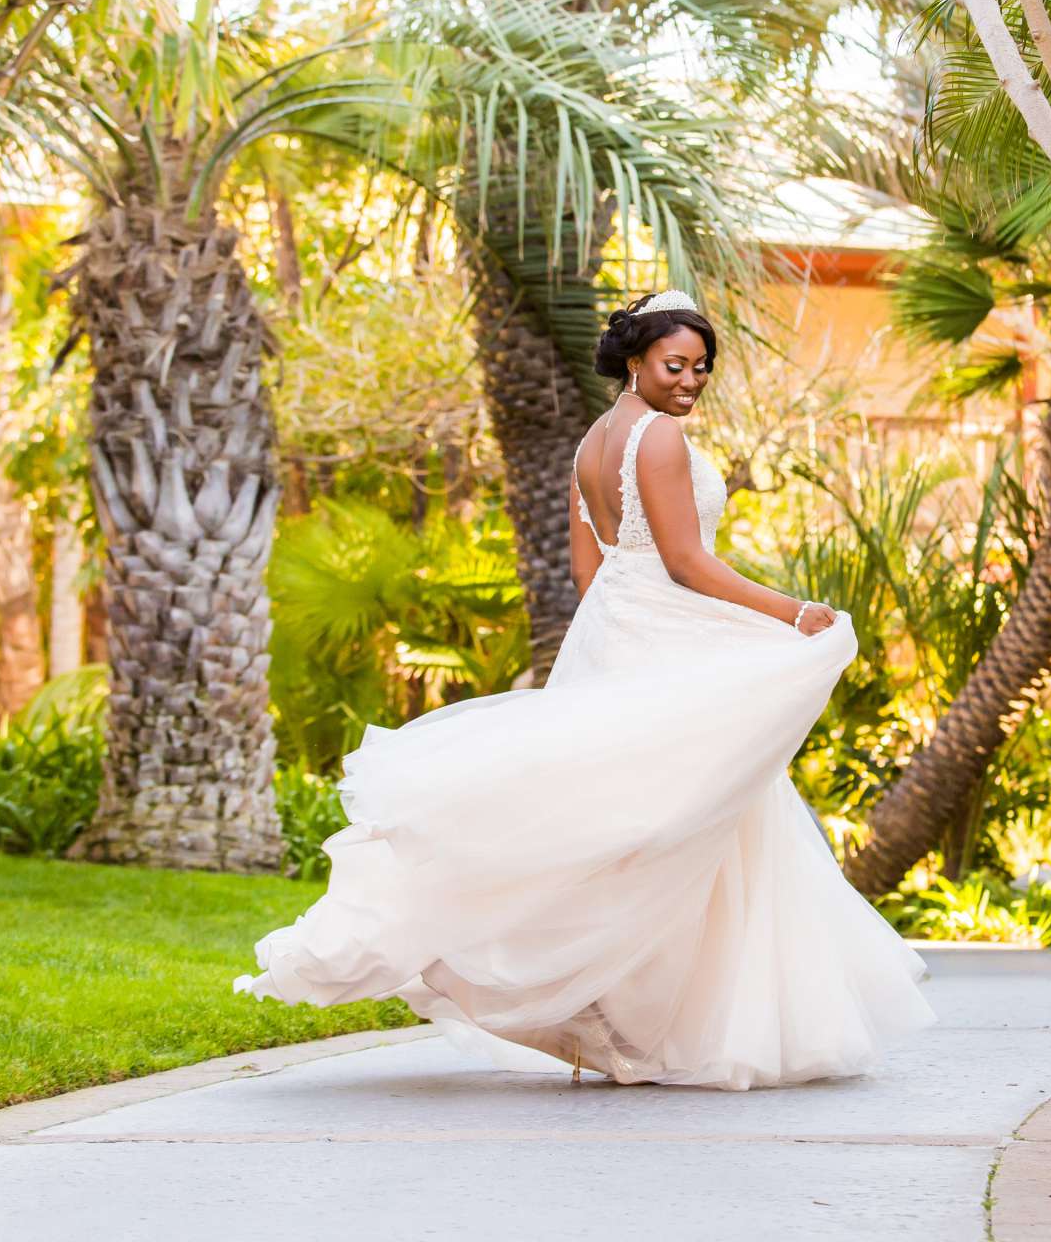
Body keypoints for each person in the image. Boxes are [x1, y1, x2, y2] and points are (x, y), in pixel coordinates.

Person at [237, 289, 934, 1089]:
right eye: (675, 365)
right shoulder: (660, 437)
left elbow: (587, 571)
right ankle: (672, 1025)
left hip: (615, 630)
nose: (690, 381)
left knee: (630, 826)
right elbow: (685, 562)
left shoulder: (589, 444)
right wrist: (794, 612)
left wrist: (615, 642)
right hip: (662, 632)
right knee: (686, 822)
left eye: (702, 368)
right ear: (635, 361)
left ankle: (626, 1015)